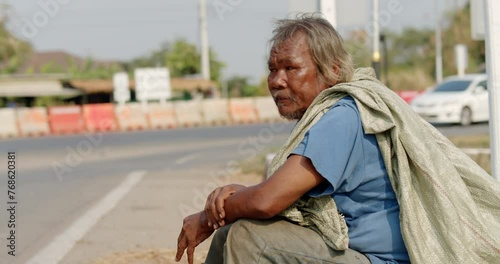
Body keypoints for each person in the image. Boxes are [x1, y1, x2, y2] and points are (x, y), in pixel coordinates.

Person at [176, 14, 500, 264]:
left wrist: (208, 216)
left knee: (246, 238)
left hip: (378, 259)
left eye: (291, 68)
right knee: (232, 236)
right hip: (356, 252)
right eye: (272, 69)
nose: (276, 81)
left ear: (330, 70)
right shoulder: (334, 112)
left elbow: (267, 202)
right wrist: (237, 196)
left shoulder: (340, 117)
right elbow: (279, 197)